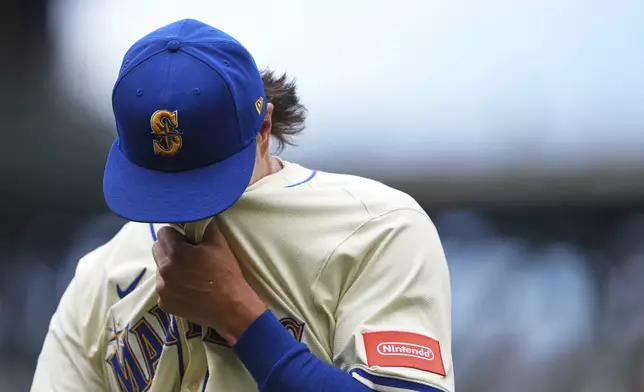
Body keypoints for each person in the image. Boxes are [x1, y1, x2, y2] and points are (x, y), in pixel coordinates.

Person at [31, 19, 454, 392]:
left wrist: (242, 319)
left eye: (204, 177)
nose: (183, 205)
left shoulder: (377, 229)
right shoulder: (98, 276)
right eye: (163, 183)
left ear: (264, 129)